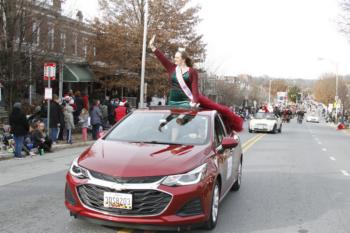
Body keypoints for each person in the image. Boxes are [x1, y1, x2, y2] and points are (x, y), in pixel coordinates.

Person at [149, 35, 243, 132]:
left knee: (212, 110)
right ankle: (170, 138)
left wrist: (194, 102)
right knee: (172, 124)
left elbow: (194, 90)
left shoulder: (192, 72)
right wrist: (152, 46)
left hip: (188, 99)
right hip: (173, 100)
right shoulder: (171, 68)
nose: (174, 59)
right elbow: (161, 58)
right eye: (174, 57)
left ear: (183, 59)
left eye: (177, 57)